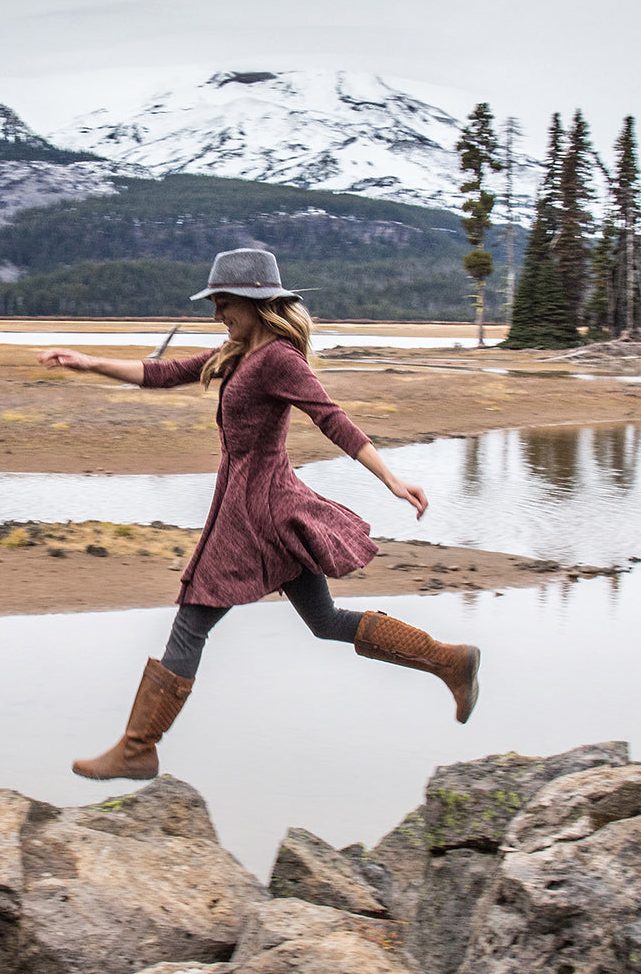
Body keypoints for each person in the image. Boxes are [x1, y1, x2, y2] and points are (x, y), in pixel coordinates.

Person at [38, 248, 480, 781]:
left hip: (255, 515)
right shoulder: (238, 353)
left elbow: (330, 418)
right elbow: (163, 373)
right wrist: (88, 363)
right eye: (215, 302)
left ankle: (138, 748)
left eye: (224, 302)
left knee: (191, 621)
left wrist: (391, 479)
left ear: (254, 301)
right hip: (265, 508)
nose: (217, 312)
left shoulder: (278, 360)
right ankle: (451, 661)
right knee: (325, 622)